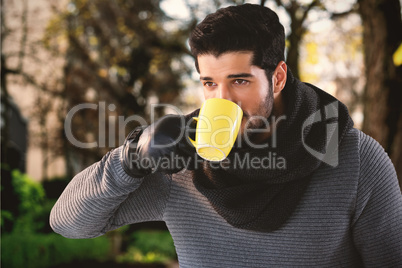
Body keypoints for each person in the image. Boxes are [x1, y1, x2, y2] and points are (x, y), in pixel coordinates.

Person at [50, 4, 402, 267]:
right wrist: (130, 160)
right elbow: (68, 223)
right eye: (209, 83)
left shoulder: (356, 159)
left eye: (239, 81)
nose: (222, 100)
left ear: (277, 78)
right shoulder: (179, 161)